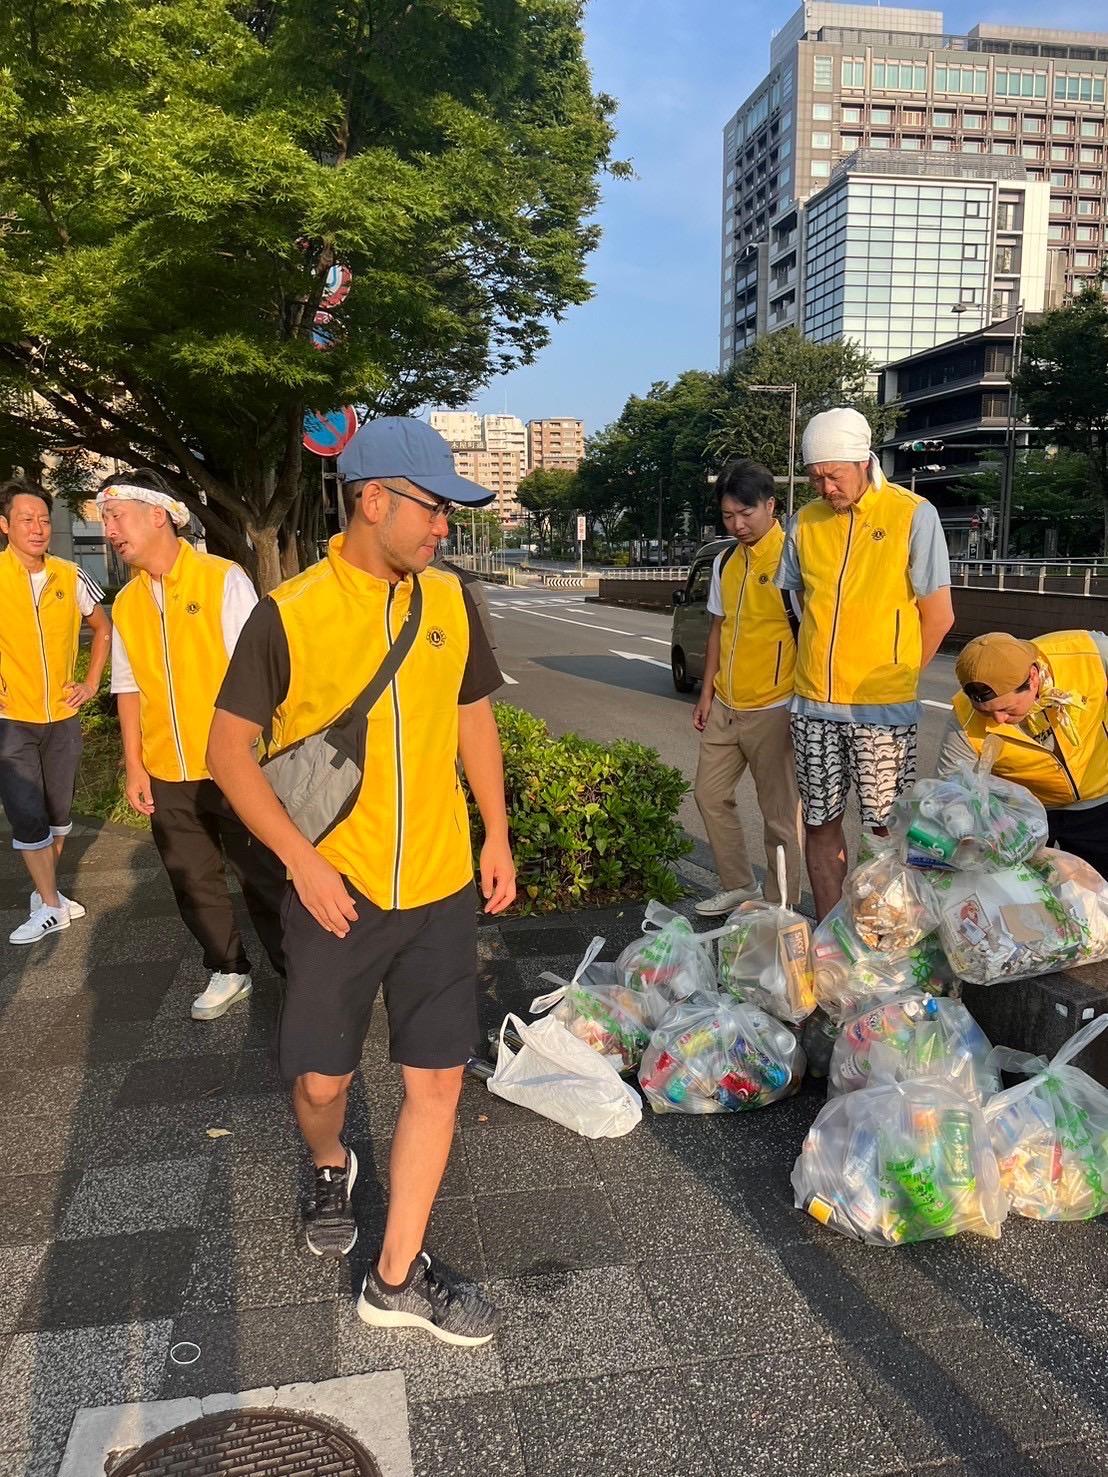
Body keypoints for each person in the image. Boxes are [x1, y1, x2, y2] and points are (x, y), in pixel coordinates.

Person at [206, 416, 514, 1348]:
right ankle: (329, 1160)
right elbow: (229, 753)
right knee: (319, 1079)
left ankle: (395, 1274)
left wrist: (494, 832)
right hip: (335, 895)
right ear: (372, 498)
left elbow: (473, 718)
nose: (443, 529)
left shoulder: (451, 601)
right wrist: (301, 861)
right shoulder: (290, 613)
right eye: (432, 509)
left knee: (437, 1082)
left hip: (439, 888)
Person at [98, 469, 286, 1016]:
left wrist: (256, 753)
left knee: (265, 875)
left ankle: (297, 973)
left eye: (117, 516)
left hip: (234, 766)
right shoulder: (128, 602)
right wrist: (134, 765)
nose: (110, 529)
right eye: (105, 519)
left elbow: (258, 676)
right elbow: (127, 687)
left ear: (159, 514)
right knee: (191, 879)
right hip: (166, 768)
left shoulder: (221, 580)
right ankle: (227, 968)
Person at [775, 408, 954, 919]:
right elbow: (795, 601)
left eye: (834, 475)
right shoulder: (804, 522)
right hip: (812, 704)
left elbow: (938, 616)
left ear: (864, 461)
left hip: (882, 709)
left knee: (883, 829)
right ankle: (833, 934)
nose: (826, 487)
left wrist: (898, 675)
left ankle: (880, 935)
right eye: (815, 477)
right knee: (820, 821)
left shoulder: (913, 514)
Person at [0, 477, 111, 944]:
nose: (38, 528)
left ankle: (48, 895)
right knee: (27, 813)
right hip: (12, 720)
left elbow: (103, 627)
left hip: (62, 716)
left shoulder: (69, 574)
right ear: (5, 525)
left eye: (44, 519)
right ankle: (49, 904)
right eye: (27, 519)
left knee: (58, 815)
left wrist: (90, 682)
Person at [691, 458, 803, 915]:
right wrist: (706, 693)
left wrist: (803, 705)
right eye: (728, 515)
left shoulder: (792, 560)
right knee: (708, 794)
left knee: (779, 815)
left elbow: (810, 632)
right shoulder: (724, 563)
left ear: (771, 506)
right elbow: (718, 629)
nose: (737, 524)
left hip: (775, 704)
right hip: (726, 703)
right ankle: (739, 884)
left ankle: (782, 904)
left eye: (746, 514)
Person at [940, 629, 1108, 875]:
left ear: (1032, 677)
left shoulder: (1087, 653)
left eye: (1006, 709)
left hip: (1100, 802)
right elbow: (952, 789)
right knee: (1030, 899)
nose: (999, 719)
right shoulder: (963, 719)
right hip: (1026, 816)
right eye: (986, 712)